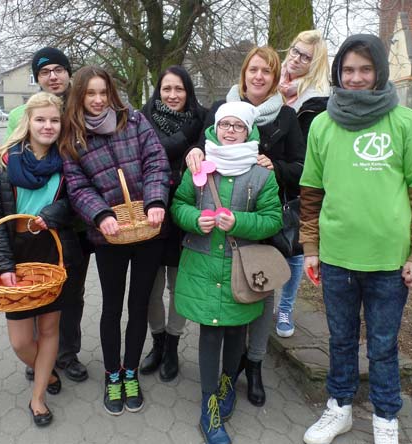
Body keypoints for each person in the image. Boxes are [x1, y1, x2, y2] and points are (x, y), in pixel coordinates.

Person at [299, 35, 412, 444]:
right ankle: (339, 408)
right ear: (337, 73)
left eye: (365, 69)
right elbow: (311, 194)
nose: (356, 77)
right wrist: (311, 248)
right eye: (348, 70)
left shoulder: (406, 122)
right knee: (341, 340)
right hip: (337, 257)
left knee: (382, 345)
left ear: (379, 71)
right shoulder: (322, 124)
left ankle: (385, 416)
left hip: (389, 261)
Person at [186, 45, 305, 407]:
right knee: (230, 292)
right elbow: (204, 146)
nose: (258, 76)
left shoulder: (285, 116)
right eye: (253, 69)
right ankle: (228, 369)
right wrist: (194, 151)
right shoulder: (221, 108)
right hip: (221, 221)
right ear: (244, 73)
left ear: (275, 78)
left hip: (263, 217)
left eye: (266, 71)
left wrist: (273, 166)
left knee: (259, 291)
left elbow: (300, 168)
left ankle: (253, 365)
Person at [60, 66, 170, 416]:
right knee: (111, 307)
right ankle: (112, 374)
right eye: (90, 94)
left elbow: (156, 162)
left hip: (148, 229)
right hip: (109, 236)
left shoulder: (134, 120)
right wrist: (100, 214)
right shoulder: (72, 137)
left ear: (111, 93)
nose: (97, 100)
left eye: (103, 92)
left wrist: (155, 200)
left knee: (139, 305)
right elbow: (77, 186)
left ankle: (130, 372)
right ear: (79, 96)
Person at [172, 101, 282, 444]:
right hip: (204, 265)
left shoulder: (262, 173)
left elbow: (273, 219)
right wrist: (194, 219)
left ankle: (227, 384)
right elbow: (179, 205)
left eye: (238, 126)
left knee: (236, 331)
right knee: (210, 332)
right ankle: (209, 406)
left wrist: (240, 222)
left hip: (240, 268)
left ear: (248, 131)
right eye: (224, 125)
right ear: (215, 128)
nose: (230, 131)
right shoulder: (200, 165)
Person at [0, 92, 88, 427]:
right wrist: (2, 266)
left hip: (53, 253)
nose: (47, 126)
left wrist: (53, 213)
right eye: (40, 119)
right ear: (27, 121)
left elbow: (76, 202)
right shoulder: (3, 162)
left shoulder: (68, 159)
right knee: (21, 341)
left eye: (54, 120)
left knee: (49, 328)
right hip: (16, 256)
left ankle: (38, 397)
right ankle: (49, 372)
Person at [7, 47, 89, 384]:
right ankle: (40, 358)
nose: (52, 76)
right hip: (33, 228)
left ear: (69, 73)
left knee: (71, 294)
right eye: (44, 71)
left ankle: (67, 355)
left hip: (76, 224)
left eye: (58, 69)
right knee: (35, 292)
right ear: (37, 78)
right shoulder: (23, 113)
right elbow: (11, 161)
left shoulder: (81, 110)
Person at [139, 66, 207, 381]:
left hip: (186, 212)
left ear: (188, 91)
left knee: (178, 286)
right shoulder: (143, 118)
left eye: (179, 88)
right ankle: (157, 341)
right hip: (151, 212)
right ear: (158, 90)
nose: (172, 95)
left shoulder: (202, 119)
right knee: (151, 287)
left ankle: (172, 346)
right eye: (166, 88)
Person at [274, 30, 331, 338]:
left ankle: (285, 307)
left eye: (305, 56)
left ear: (315, 63)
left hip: (298, 181)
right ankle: (260, 301)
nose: (296, 59)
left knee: (294, 248)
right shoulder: (273, 84)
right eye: (295, 51)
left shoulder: (317, 101)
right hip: (268, 176)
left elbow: (310, 151)